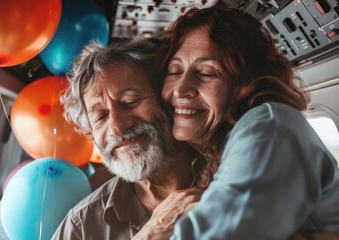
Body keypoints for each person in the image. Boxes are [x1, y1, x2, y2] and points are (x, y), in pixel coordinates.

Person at [135, 5, 339, 239]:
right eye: (174, 71)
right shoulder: (215, 158)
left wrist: (150, 233)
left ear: (246, 84)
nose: (181, 89)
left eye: (206, 73)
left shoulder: (267, 128)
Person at [52, 39, 204, 239]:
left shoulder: (233, 177)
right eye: (101, 116)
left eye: (130, 101)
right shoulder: (81, 226)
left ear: (168, 101)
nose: (116, 127)